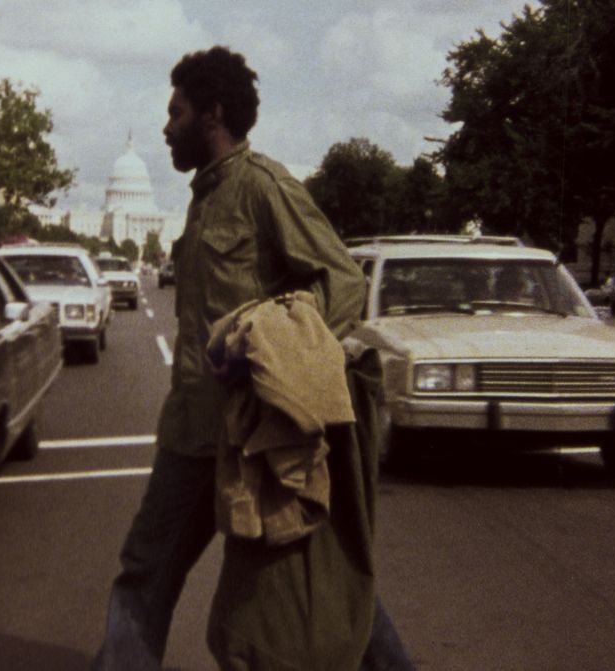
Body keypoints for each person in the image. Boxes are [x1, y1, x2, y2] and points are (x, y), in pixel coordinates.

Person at [92, 46, 413, 670]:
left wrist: (266, 351)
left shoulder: (263, 186)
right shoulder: (204, 197)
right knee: (146, 570)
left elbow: (342, 282)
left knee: (320, 571)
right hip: (192, 432)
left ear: (211, 115)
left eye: (175, 112)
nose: (165, 127)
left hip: (258, 438)